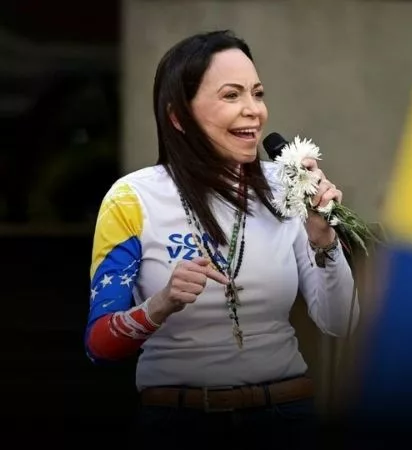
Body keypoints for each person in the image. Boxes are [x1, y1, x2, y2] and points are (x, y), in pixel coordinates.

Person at [83, 30, 357, 446]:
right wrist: (161, 304)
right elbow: (99, 344)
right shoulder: (131, 199)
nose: (254, 111)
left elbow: (341, 322)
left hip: (285, 417)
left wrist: (323, 238)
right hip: (177, 423)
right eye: (232, 96)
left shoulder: (288, 187)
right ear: (178, 116)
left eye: (257, 94)